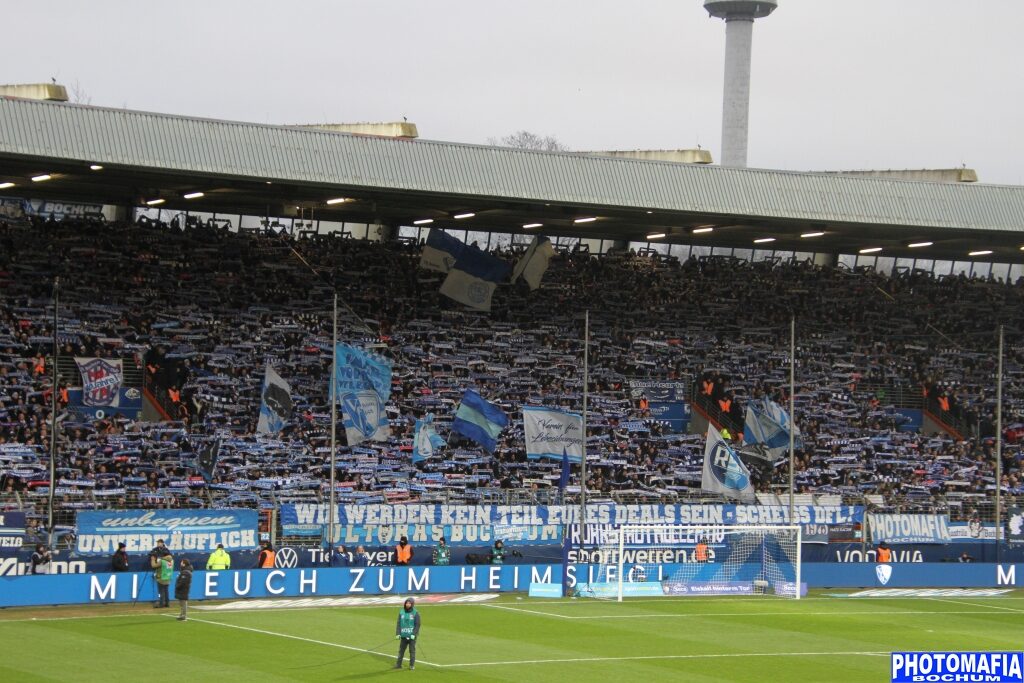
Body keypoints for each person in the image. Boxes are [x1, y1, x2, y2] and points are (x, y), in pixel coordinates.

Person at [394, 597, 421, 670]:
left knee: (412, 651)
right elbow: (398, 623)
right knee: (401, 651)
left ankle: (411, 665)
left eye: (409, 603)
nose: (407, 604)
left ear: (412, 604)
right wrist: (398, 633)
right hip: (403, 635)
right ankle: (398, 664)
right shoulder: (401, 612)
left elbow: (417, 624)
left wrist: (414, 634)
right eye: (407, 603)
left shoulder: (415, 613)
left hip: (412, 636)